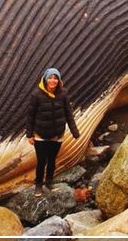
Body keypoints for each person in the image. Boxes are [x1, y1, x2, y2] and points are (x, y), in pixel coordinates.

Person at [26, 68, 80, 197]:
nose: (53, 80)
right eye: (50, 78)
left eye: (55, 78)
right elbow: (30, 116)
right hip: (41, 135)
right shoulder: (36, 95)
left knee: (52, 160)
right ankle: (38, 184)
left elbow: (68, 113)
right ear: (45, 79)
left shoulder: (63, 93)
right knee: (41, 161)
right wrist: (29, 134)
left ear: (59, 80)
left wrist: (74, 131)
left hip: (57, 134)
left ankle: (49, 182)